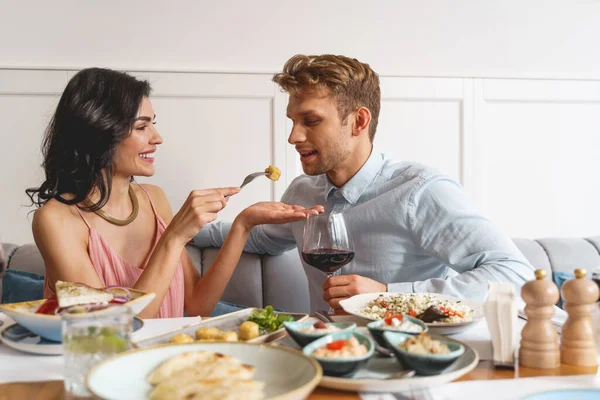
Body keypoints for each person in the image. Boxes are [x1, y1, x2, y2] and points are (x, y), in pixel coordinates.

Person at [194, 54, 535, 313]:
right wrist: (171, 227)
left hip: (409, 359)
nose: (294, 136)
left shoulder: (420, 191)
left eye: (311, 121)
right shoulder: (303, 191)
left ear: (358, 121)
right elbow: (261, 238)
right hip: (324, 357)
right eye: (293, 121)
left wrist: (390, 296)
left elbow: (516, 275)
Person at [27, 68, 322, 319]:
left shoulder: (154, 198)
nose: (157, 138)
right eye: (142, 127)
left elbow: (196, 306)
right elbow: (108, 327)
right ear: (100, 131)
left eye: (152, 125)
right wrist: (174, 236)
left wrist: (243, 225)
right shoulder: (55, 220)